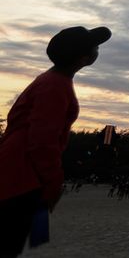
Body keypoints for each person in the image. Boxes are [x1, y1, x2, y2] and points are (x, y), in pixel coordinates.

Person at [0, 26, 110, 257]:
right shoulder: (55, 86)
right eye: (95, 47)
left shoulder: (51, 80)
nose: (98, 50)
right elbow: (43, 141)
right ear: (84, 58)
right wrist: (52, 183)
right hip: (21, 175)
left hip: (17, 169)